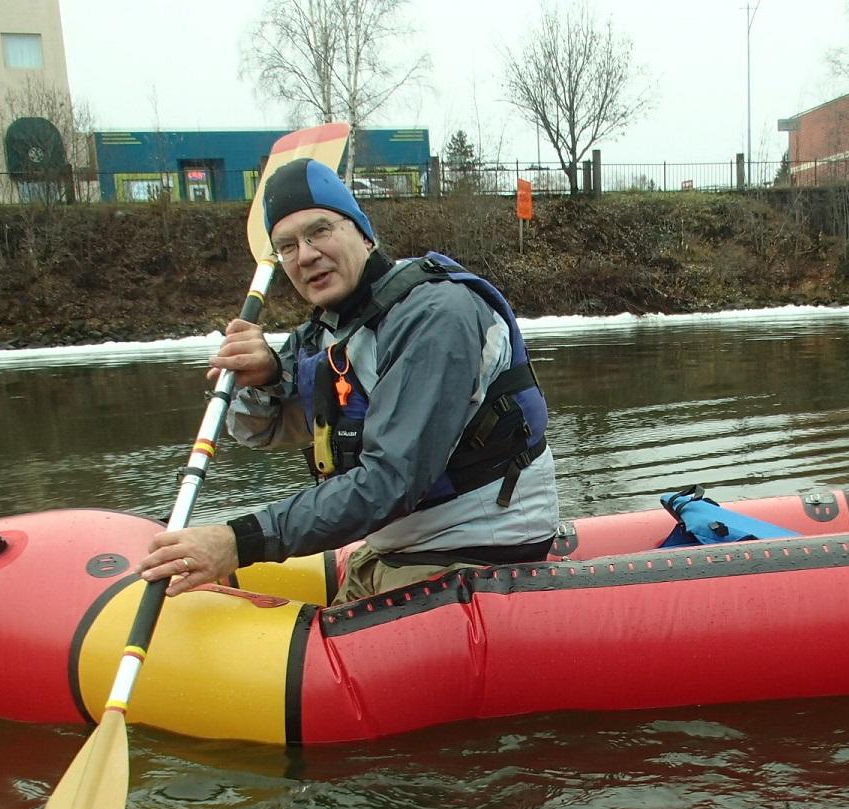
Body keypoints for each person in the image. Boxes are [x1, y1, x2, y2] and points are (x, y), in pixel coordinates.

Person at [137, 158, 559, 603]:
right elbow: (254, 430)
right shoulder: (329, 330)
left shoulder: (436, 315)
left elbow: (391, 481)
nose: (305, 255)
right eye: (287, 245)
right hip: (405, 542)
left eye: (319, 231)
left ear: (362, 231)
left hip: (479, 544)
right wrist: (267, 377)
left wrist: (238, 541)